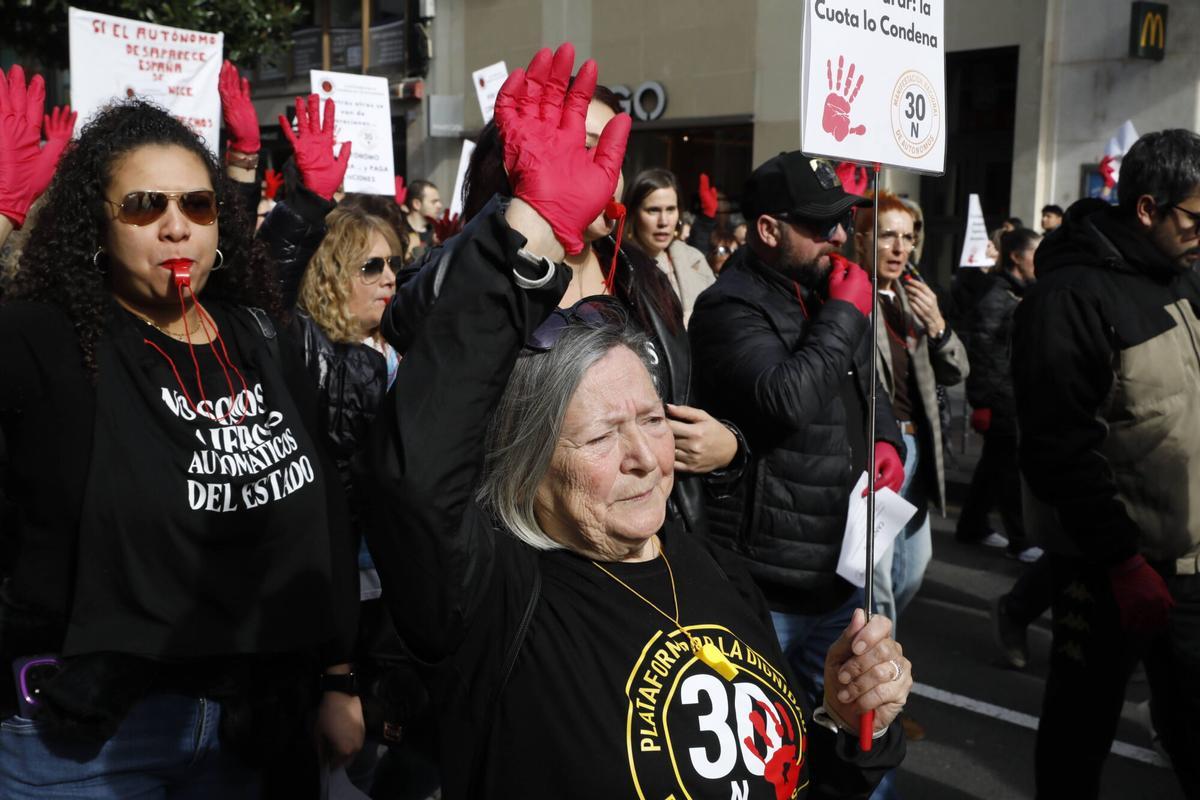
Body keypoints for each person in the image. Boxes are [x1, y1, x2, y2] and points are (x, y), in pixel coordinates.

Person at [364, 43, 911, 799]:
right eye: (572, 142)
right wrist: (526, 239)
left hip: (679, 549)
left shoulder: (641, 286)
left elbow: (774, 771)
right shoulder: (470, 298)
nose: (642, 452)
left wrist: (851, 731)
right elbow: (424, 479)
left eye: (603, 144)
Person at [0, 77, 359, 797]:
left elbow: (325, 518)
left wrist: (337, 676)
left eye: (196, 204)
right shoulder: (52, 342)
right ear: (95, 225)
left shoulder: (262, 337)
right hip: (93, 743)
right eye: (144, 206)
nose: (176, 225)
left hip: (252, 732)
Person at [457, 81, 746, 541]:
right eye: (587, 149)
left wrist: (727, 446)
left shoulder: (642, 277)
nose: (606, 171)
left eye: (615, 153)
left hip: (660, 543)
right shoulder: (480, 290)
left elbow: (683, 402)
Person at [1012, 128, 1200, 798]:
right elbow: (1059, 444)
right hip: (1108, 568)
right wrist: (1121, 562)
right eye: (1195, 218)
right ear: (1147, 208)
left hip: (1185, 562)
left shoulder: (1181, 280)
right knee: (1079, 731)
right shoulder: (1072, 299)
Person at [688, 151, 907, 714]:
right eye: (819, 224)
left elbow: (867, 388)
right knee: (765, 741)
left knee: (847, 734)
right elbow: (787, 399)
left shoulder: (826, 287)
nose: (839, 234)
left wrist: (887, 440)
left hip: (839, 570)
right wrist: (844, 314)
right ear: (768, 228)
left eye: (843, 220)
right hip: (769, 585)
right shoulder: (729, 305)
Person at [853, 191, 968, 635]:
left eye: (907, 238)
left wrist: (937, 326)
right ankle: (877, 691)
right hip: (878, 449)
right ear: (862, 240)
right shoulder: (852, 294)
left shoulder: (914, 297)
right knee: (876, 582)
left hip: (918, 445)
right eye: (887, 237)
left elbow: (957, 371)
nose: (900, 248)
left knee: (912, 570)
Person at [957, 227, 1042, 562]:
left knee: (993, 465)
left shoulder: (1021, 293)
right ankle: (1021, 539)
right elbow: (984, 354)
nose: (1040, 260)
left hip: (1013, 394)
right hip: (1002, 397)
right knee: (1008, 469)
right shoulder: (998, 295)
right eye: (1036, 253)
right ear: (1016, 257)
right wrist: (985, 401)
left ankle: (971, 525)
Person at [624, 168, 716, 326]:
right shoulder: (619, 266)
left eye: (671, 209)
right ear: (633, 213)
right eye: (653, 210)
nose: (664, 221)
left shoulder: (694, 259)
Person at [402, 179, 442, 256]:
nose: (440, 205)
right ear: (416, 204)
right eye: (434, 201)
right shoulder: (398, 231)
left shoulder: (437, 233)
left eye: (439, 201)